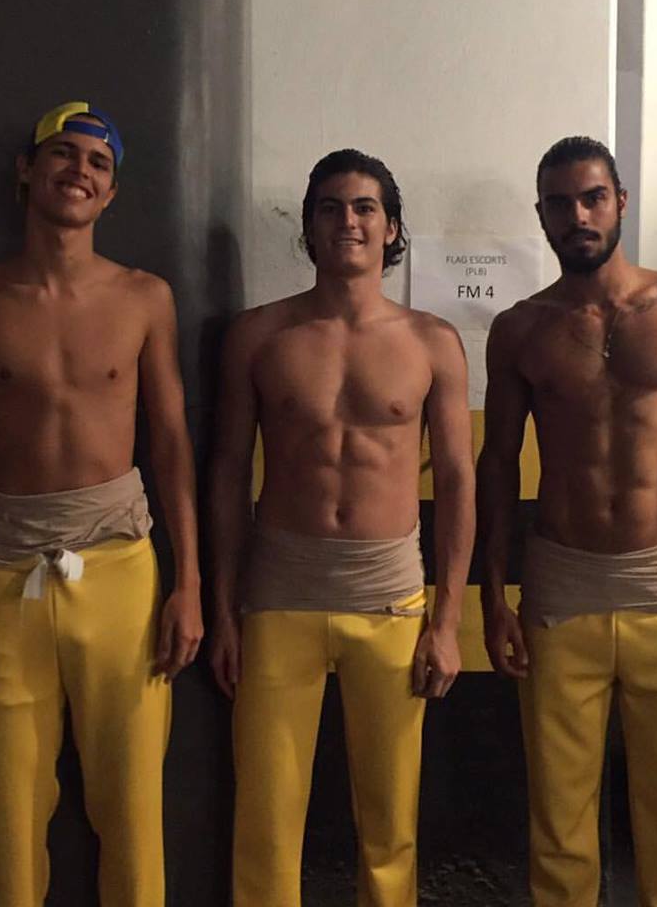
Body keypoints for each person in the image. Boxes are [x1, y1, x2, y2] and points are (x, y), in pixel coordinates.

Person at [0, 101, 203, 907]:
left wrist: (189, 582)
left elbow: (171, 441)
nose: (80, 171)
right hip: (3, 570)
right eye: (63, 154)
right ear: (27, 169)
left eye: (98, 163)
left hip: (121, 569)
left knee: (133, 811)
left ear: (111, 193)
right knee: (7, 815)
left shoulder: (144, 298)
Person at [478, 135, 657, 907]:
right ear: (541, 216)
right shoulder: (520, 329)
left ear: (621, 202)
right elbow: (497, 463)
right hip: (560, 583)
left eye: (592, 197)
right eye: (560, 204)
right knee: (559, 818)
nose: (578, 215)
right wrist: (492, 595)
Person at [209, 148, 475, 907]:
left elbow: (457, 483)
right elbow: (227, 472)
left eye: (364, 208)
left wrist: (447, 622)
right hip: (278, 594)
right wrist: (223, 609)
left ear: (391, 228)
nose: (348, 221)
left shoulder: (432, 341)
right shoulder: (259, 336)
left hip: (389, 597)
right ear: (309, 227)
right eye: (330, 207)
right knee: (265, 816)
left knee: (390, 822)